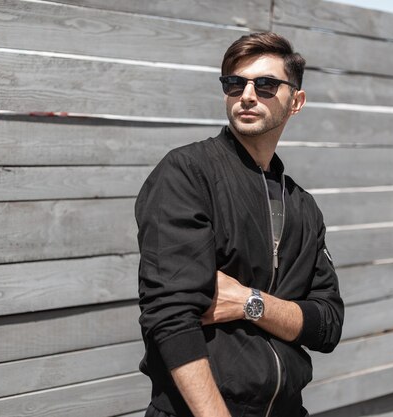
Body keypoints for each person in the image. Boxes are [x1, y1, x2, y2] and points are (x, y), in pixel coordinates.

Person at [135, 32, 344, 417]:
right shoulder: (188, 174)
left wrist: (252, 304)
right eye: (234, 83)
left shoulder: (303, 206)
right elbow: (170, 317)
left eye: (265, 84)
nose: (247, 94)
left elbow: (328, 325)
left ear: (295, 101)